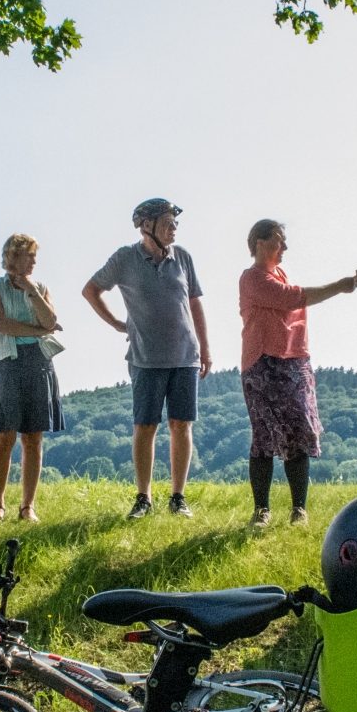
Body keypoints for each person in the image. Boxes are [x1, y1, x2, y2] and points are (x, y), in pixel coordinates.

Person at [83, 198, 212, 518]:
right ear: (146, 226)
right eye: (168, 222)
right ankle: (144, 497)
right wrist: (116, 323)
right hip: (145, 357)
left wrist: (206, 349)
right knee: (146, 426)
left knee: (181, 425)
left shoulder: (183, 257)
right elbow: (91, 290)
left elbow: (195, 304)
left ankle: (178, 497)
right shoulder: (125, 258)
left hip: (185, 355)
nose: (174, 228)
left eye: (175, 223)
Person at [237, 220, 357, 527]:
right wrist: (340, 286)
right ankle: (262, 510)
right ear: (260, 242)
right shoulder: (252, 278)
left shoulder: (279, 274)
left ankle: (298, 510)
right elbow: (293, 298)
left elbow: (293, 298)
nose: (285, 247)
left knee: (300, 433)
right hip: (263, 362)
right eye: (280, 241)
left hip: (294, 362)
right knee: (263, 435)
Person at [0, 233, 65, 522]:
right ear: (13, 256)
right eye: (28, 255)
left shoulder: (40, 287)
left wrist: (31, 289)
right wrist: (39, 331)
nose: (33, 260)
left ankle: (27, 506)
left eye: (34, 256)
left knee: (33, 437)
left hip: (38, 362)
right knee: (4, 435)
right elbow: (2, 324)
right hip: (7, 363)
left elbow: (50, 320)